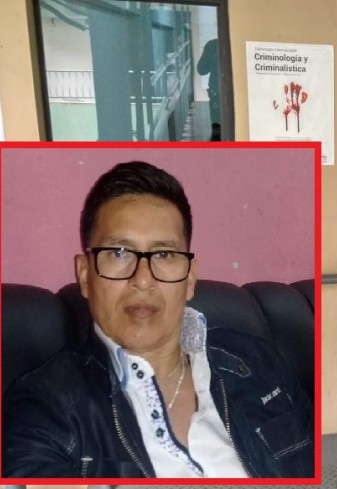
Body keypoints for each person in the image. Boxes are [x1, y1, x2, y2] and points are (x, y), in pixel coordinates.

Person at [2, 162, 313, 477]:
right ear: (85, 275)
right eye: (119, 253)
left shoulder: (261, 365)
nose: (143, 279)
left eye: (164, 255)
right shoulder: (43, 406)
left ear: (189, 278)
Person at [197, 38, 221, 141]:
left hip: (216, 92)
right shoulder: (238, 42)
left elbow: (201, 69)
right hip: (238, 93)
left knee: (217, 132)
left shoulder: (212, 45)